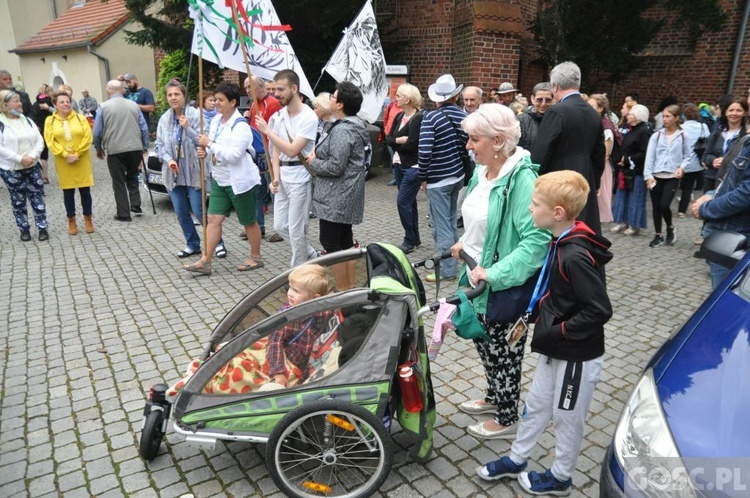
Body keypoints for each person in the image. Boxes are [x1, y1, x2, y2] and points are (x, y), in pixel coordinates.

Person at [476, 170, 612, 497]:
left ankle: (562, 477)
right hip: (555, 347)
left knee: (567, 418)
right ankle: (517, 458)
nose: (529, 209)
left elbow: (599, 309)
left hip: (575, 355)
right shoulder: (560, 241)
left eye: (534, 205)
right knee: (536, 405)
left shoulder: (574, 253)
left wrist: (561, 330)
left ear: (558, 214)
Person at [450, 103, 550, 439]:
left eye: (473, 139)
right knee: (486, 344)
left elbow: (535, 243)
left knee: (505, 353)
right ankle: (495, 397)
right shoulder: (482, 171)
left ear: (496, 142)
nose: (468, 146)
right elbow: (480, 218)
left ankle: (508, 419)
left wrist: (495, 274)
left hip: (503, 284)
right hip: (477, 277)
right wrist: (465, 242)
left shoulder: (522, 179)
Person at [167, 264, 334, 395]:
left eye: (296, 291)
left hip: (295, 360)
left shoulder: (326, 311)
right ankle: (199, 381)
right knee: (236, 360)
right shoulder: (287, 315)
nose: (289, 293)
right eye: (289, 287)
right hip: (280, 357)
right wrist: (279, 374)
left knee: (244, 369)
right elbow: (275, 343)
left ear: (316, 299)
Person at [184, 81, 263, 275]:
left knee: (248, 221)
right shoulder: (217, 121)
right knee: (213, 219)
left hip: (239, 181)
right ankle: (206, 261)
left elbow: (234, 155)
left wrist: (209, 144)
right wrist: (205, 151)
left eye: (220, 100)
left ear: (233, 102)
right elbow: (213, 147)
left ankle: (256, 257)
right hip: (220, 179)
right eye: (215, 99)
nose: (216, 103)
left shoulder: (240, 125)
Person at [306, 82, 369, 291]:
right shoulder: (354, 125)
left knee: (331, 243)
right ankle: (349, 287)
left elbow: (335, 166)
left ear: (340, 104)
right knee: (345, 243)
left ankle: (343, 289)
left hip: (337, 196)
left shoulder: (343, 130)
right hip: (345, 193)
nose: (330, 99)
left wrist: (313, 161)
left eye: (333, 97)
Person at [532, 61, 606, 235]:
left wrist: (534, 182)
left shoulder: (556, 111)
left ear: (555, 86)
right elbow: (599, 154)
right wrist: (594, 182)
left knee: (558, 230)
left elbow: (540, 154)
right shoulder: (593, 113)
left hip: (558, 182)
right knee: (582, 230)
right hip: (584, 179)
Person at [254, 69, 319, 268]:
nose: (276, 94)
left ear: (294, 88)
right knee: (280, 225)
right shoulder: (279, 116)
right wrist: (275, 177)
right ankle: (311, 253)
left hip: (300, 176)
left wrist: (266, 131)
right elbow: (275, 151)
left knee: (297, 229)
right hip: (283, 177)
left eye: (280, 89)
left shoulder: (309, 117)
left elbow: (292, 150)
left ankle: (297, 273)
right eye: (274, 89)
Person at [418, 74, 468, 282]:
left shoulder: (431, 118)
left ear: (437, 98)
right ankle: (455, 258)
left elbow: (424, 151)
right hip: (458, 175)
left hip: (438, 179)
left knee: (442, 225)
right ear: (455, 96)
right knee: (450, 221)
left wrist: (422, 176)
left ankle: (446, 270)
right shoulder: (464, 116)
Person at [154, 79, 210, 258]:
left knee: (199, 210)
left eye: (177, 94)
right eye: (170, 95)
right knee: (180, 211)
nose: (173, 98)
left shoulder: (195, 115)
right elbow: (159, 144)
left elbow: (203, 141)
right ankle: (192, 244)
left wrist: (188, 129)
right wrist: (169, 159)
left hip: (193, 171)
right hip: (174, 173)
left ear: (184, 96)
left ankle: (216, 242)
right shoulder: (164, 119)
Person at [693, 138, 750, 288]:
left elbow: (746, 194)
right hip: (728, 237)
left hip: (736, 238)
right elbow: (730, 181)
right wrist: (712, 194)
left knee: (727, 303)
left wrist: (705, 208)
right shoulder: (744, 140)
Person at [93, 80, 149, 221]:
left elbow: (97, 132)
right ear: (122, 91)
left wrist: (98, 148)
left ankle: (123, 213)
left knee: (118, 181)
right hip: (135, 147)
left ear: (108, 90)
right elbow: (144, 127)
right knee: (133, 174)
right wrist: (144, 146)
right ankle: (136, 204)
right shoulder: (134, 105)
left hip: (115, 149)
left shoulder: (103, 107)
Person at [0, 89, 49, 241]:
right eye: (16, 100)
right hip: (12, 169)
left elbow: (39, 140)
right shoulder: (1, 123)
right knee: (18, 200)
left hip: (32, 166)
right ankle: (24, 229)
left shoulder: (27, 121)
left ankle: (42, 228)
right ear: (5, 105)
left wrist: (33, 156)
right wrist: (19, 158)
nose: (20, 103)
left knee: (37, 197)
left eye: (19, 100)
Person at [43, 91, 95, 235]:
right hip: (63, 161)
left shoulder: (80, 118)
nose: (66, 104)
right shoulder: (50, 121)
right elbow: (50, 140)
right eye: (62, 102)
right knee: (68, 193)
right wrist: (66, 154)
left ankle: (88, 218)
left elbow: (87, 137)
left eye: (68, 101)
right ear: (55, 105)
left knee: (85, 191)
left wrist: (77, 154)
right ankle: (71, 220)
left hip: (81, 159)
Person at [643, 104, 690, 247]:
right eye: (663, 116)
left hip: (672, 176)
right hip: (656, 175)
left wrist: (682, 168)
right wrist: (648, 176)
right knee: (656, 206)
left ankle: (670, 226)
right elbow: (649, 157)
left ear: (677, 118)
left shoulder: (683, 136)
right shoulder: (656, 136)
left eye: (668, 116)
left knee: (664, 205)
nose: (665, 119)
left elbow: (688, 156)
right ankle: (658, 235)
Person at [387, 83, 424, 254]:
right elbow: (388, 138)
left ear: (408, 99)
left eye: (399, 95)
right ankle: (414, 238)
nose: (396, 98)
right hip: (399, 164)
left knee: (402, 202)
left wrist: (398, 141)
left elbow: (412, 144)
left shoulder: (418, 118)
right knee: (410, 203)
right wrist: (399, 140)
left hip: (412, 167)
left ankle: (409, 239)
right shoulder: (400, 115)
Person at [611, 104, 651, 235]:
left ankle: (634, 225)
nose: (628, 116)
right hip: (626, 169)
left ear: (637, 117)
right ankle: (621, 221)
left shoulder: (644, 131)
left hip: (637, 171)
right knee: (622, 195)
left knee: (636, 197)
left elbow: (644, 152)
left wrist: (628, 159)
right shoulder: (631, 130)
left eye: (631, 114)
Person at [701, 96, 747, 193]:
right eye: (731, 110)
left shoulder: (746, 135)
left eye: (739, 110)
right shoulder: (717, 132)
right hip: (712, 178)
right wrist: (713, 161)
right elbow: (706, 155)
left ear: (744, 113)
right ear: (725, 112)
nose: (734, 113)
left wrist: (726, 161)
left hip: (731, 181)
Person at [588, 94, 621, 224]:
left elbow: (605, 154)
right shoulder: (593, 123)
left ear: (600, 108)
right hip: (593, 164)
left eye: (592, 106)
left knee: (597, 202)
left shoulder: (606, 128)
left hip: (600, 167)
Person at [678, 104, 709, 217]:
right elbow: (707, 141)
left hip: (679, 161)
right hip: (695, 161)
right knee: (688, 187)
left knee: (673, 185)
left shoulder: (680, 127)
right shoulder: (703, 127)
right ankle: (681, 211)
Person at [30, 84, 54, 184]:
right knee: (46, 153)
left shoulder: (35, 104)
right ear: (47, 92)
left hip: (39, 131)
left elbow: (32, 117)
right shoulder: (50, 103)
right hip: (50, 130)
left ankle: (43, 176)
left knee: (40, 153)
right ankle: (45, 176)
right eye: (51, 91)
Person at [517, 82, 553, 150]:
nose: (543, 104)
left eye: (548, 100)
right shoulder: (521, 120)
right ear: (532, 99)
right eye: (539, 100)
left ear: (553, 100)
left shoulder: (557, 120)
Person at [383, 91, 404, 186]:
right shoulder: (391, 106)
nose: (397, 98)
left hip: (400, 138)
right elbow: (386, 118)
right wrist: (386, 130)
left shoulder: (404, 108)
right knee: (393, 157)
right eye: (396, 95)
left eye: (399, 96)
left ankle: (400, 177)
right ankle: (395, 177)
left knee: (399, 158)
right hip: (390, 136)